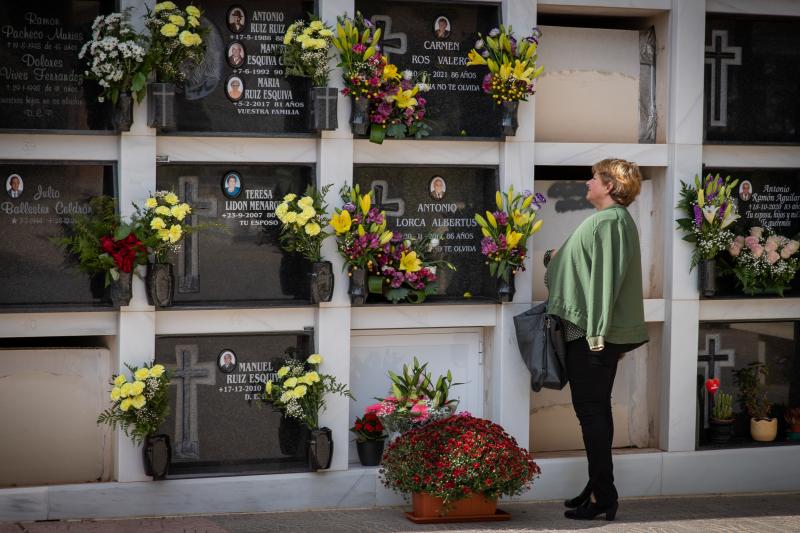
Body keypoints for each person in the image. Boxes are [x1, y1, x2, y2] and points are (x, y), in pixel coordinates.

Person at [543, 159, 649, 522]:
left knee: (591, 414)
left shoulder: (610, 222)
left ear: (610, 185)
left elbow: (605, 280)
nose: (588, 182)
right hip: (590, 332)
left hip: (591, 335)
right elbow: (585, 267)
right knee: (596, 411)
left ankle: (604, 495)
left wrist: (597, 335)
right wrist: (554, 259)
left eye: (595, 177)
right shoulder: (610, 222)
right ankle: (597, 487)